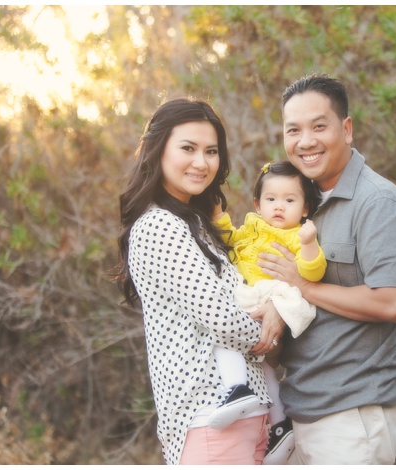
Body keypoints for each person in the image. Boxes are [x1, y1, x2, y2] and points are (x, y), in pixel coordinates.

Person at [258, 74, 396, 465]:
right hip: (300, 409)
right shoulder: (297, 205)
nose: (305, 141)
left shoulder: (378, 202)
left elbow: (394, 303)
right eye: (293, 129)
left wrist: (303, 286)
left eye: (319, 126)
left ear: (346, 129)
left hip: (353, 414)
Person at [115, 98, 285, 465]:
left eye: (211, 151)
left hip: (248, 414)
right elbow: (221, 316)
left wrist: (275, 309)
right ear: (157, 150)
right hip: (209, 413)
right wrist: (268, 330)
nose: (201, 162)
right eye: (188, 148)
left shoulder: (195, 224)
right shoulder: (160, 226)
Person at [210, 160, 326, 464]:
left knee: (224, 335)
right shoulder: (251, 227)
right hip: (253, 296)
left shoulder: (298, 235)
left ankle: (236, 389)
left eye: (289, 200)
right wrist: (220, 219)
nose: (279, 207)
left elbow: (314, 272)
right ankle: (280, 425)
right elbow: (230, 243)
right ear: (257, 204)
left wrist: (310, 243)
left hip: (277, 295)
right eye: (271, 199)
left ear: (304, 208)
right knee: (264, 366)